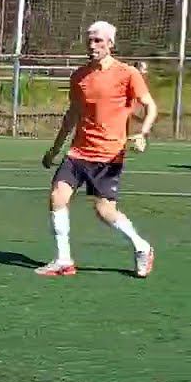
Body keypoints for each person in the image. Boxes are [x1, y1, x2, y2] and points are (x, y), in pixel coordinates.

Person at [38, 20, 158, 278]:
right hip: (78, 152)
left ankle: (142, 247)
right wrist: (55, 149)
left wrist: (143, 133)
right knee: (57, 196)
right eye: (89, 41)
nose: (92, 45)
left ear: (110, 44)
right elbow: (72, 115)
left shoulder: (127, 74)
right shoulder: (79, 76)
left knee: (105, 211)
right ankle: (63, 260)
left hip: (108, 154)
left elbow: (150, 105)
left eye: (98, 41)